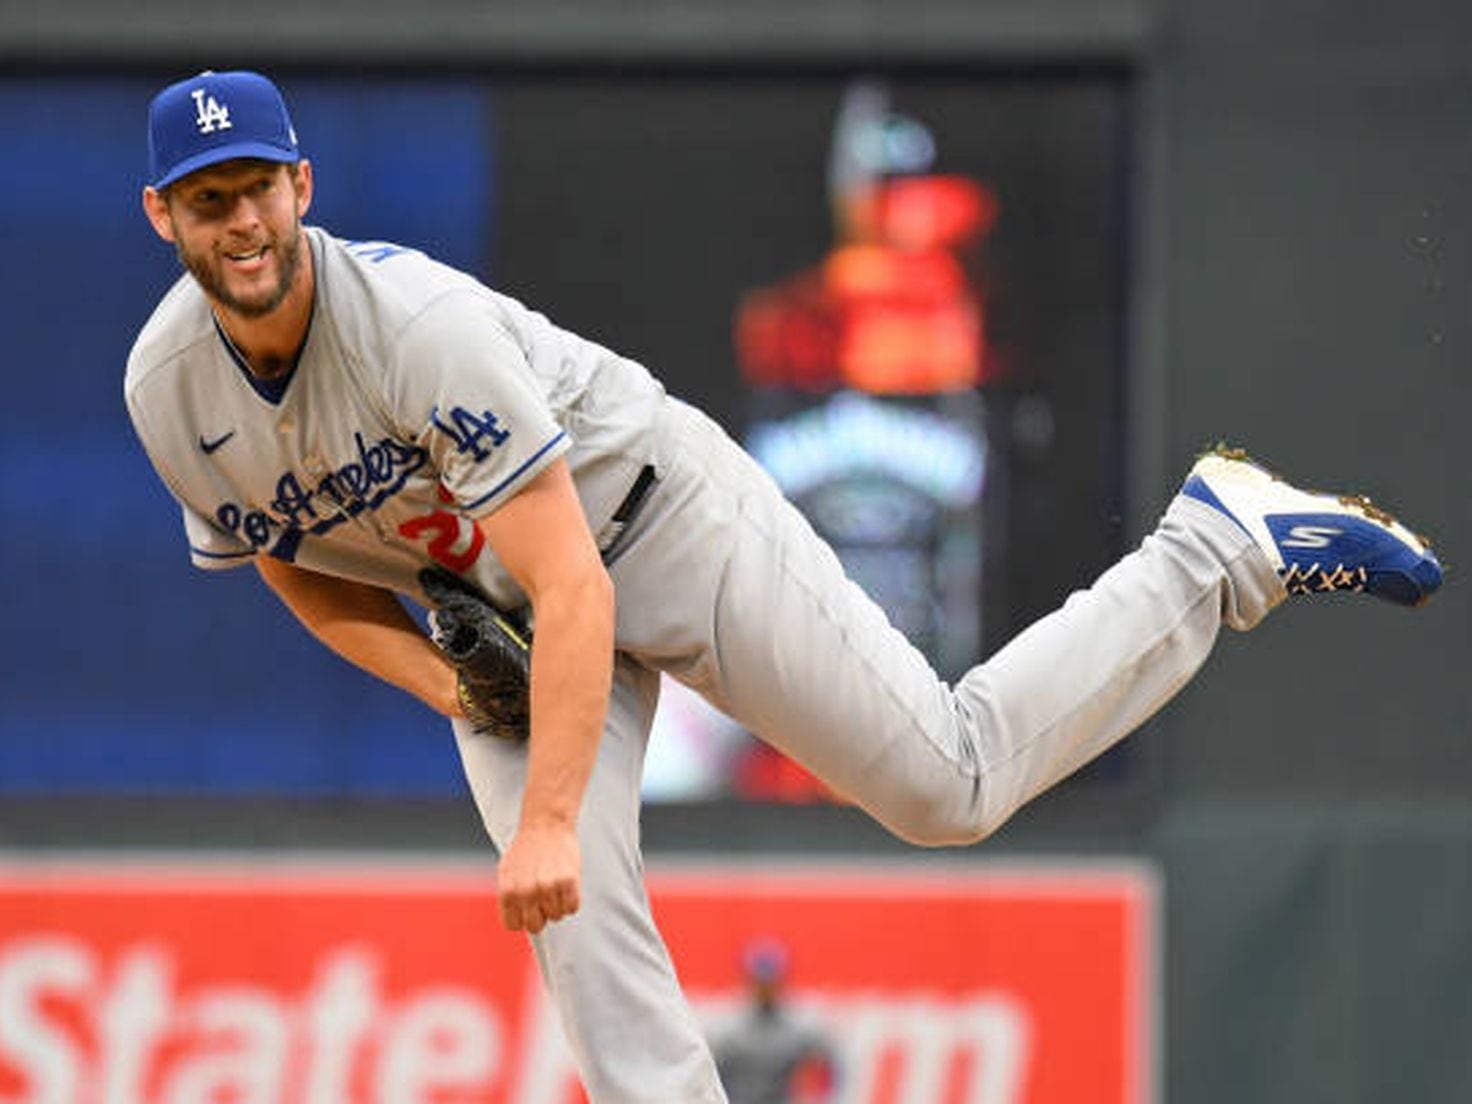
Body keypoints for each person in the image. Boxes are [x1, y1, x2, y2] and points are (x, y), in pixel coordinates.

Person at [125, 71, 1442, 1102]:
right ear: (162, 217)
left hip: (649, 527)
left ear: (300, 184)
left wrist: (541, 813)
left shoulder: (414, 329)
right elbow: (291, 561)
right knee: (574, 912)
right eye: (205, 198)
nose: (238, 220)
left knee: (947, 786)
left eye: (254, 186)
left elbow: (578, 586)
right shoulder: (165, 393)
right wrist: (447, 680)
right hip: (513, 609)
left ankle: (1219, 544)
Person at [713, 940, 838, 1103]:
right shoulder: (730, 1032)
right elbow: (712, 1076)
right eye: (760, 982)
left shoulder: (797, 1029)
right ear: (749, 980)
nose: (766, 989)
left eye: (770, 982)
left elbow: (830, 1063)